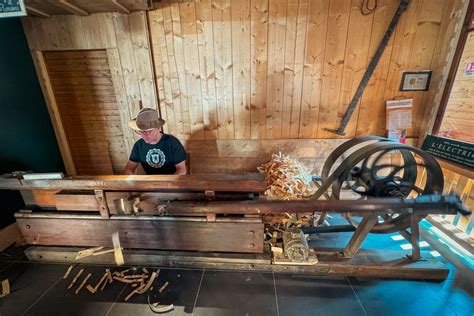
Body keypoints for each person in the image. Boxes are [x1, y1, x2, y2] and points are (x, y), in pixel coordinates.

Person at [123, 108, 187, 175]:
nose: (144, 135)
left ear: (157, 128)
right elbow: (129, 168)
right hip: (150, 182)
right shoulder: (138, 145)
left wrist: (168, 184)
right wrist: (128, 180)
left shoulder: (172, 143)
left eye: (148, 132)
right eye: (141, 132)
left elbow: (181, 170)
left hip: (171, 181)